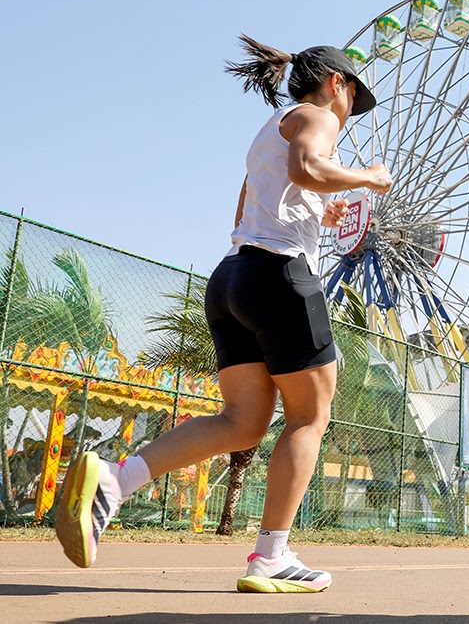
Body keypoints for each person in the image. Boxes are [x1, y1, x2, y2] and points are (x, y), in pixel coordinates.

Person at [54, 35, 392, 593]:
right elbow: (309, 166)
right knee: (310, 416)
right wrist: (366, 177)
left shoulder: (272, 127)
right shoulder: (317, 116)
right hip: (281, 276)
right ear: (337, 82)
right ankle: (271, 557)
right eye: (353, 97)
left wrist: (317, 210)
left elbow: (254, 205)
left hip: (232, 276)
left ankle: (115, 482)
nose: (351, 110)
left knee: (243, 422)